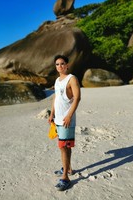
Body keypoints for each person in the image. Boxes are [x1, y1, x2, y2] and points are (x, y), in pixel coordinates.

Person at [48, 54, 81, 191]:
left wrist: (69, 116)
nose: (59, 66)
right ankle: (68, 168)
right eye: (57, 64)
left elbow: (78, 98)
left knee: (64, 146)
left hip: (67, 120)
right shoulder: (57, 80)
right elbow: (56, 97)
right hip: (58, 118)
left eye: (62, 64)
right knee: (63, 146)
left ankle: (65, 178)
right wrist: (52, 113)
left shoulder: (71, 79)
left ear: (67, 65)